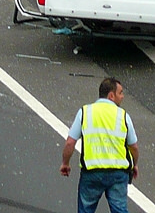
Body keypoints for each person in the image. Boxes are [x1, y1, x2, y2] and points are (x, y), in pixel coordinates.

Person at [60, 77, 139, 213]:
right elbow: (133, 147)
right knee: (120, 209)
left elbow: (70, 142)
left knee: (86, 209)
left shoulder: (85, 112)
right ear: (111, 95)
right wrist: (134, 164)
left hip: (92, 172)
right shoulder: (123, 116)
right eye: (120, 93)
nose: (123, 96)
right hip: (118, 173)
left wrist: (65, 163)